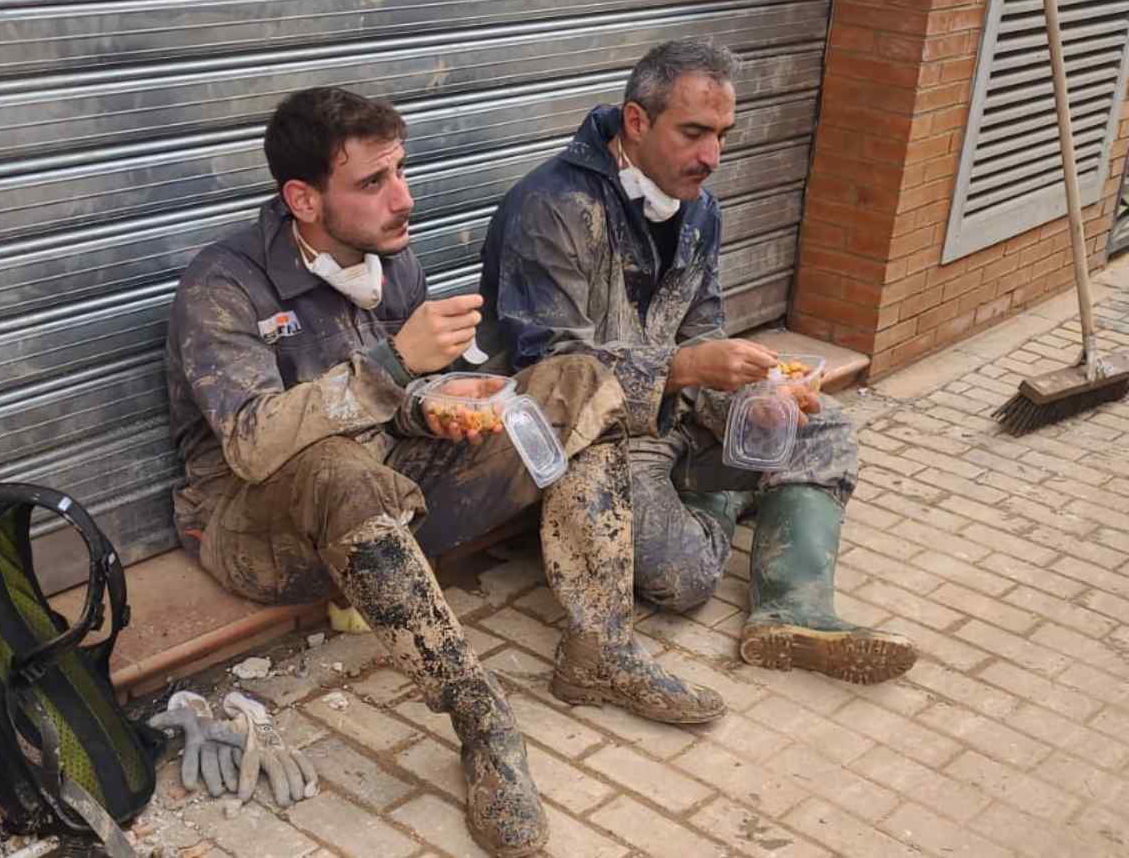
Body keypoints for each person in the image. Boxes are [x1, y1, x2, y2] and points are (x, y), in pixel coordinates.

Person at [165, 86, 726, 857]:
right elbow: (255, 445)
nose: (405, 198)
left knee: (575, 384)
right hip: (258, 523)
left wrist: (435, 401)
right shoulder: (223, 287)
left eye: (401, 171)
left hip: (387, 487)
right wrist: (395, 364)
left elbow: (395, 400)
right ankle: (481, 720)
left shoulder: (389, 260)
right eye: (374, 182)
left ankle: (600, 646)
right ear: (302, 198)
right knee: (337, 470)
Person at [477, 41, 917, 685]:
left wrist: (761, 386)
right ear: (635, 122)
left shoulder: (699, 209)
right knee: (680, 581)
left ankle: (794, 609)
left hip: (676, 415)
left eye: (722, 135)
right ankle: (730, 496)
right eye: (693, 133)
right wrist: (682, 369)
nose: (712, 156)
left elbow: (702, 323)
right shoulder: (552, 208)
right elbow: (548, 366)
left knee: (823, 428)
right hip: (595, 442)